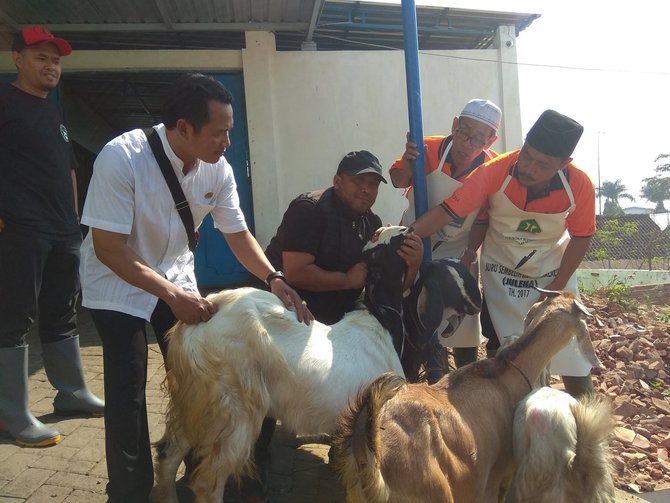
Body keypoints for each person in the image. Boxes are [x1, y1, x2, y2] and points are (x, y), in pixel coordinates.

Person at [79, 73, 311, 503]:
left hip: (177, 275)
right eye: (218, 132)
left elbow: (237, 234)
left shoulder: (217, 169)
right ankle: (128, 491)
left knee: (199, 376)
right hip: (116, 282)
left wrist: (273, 278)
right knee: (127, 385)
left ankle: (197, 477)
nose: (226, 142)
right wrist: (170, 296)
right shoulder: (122, 157)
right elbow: (108, 247)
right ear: (183, 127)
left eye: (230, 131)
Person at [411, 109, 596, 398]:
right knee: (504, 351)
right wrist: (406, 236)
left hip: (552, 270)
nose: (529, 168)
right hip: (503, 272)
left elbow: (582, 237)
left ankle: (586, 422)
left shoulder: (580, 185)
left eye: (541, 165)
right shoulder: (494, 171)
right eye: (527, 156)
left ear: (564, 164)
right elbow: (448, 211)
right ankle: (508, 419)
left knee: (571, 355)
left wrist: (557, 285)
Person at [0, 26, 104, 448]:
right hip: (20, 227)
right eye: (41, 57)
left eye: (56, 59)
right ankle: (10, 415)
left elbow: (67, 169)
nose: (50, 66)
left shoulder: (53, 109)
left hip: (62, 229)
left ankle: (72, 393)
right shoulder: (4, 102)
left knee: (63, 311)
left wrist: (75, 217)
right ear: (17, 59)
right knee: (14, 318)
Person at [390, 98, 501, 371]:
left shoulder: (492, 168)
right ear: (454, 125)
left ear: (491, 140)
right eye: (464, 133)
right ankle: (408, 369)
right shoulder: (428, 148)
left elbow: (482, 221)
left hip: (458, 248)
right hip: (414, 239)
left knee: (462, 323)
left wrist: (467, 255)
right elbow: (398, 181)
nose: (468, 144)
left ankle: (464, 375)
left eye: (479, 139)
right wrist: (408, 158)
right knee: (411, 308)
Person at [265, 150, 424, 325]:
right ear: (337, 182)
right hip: (280, 315)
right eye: (358, 181)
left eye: (373, 184)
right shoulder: (310, 209)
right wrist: (346, 280)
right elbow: (296, 272)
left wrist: (413, 264)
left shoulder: (372, 223)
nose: (366, 189)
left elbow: (386, 291)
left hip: (333, 325)